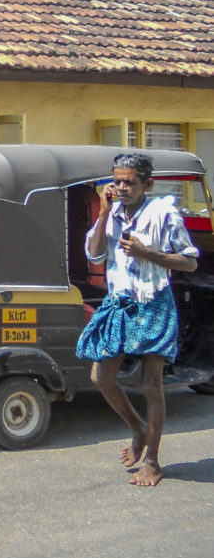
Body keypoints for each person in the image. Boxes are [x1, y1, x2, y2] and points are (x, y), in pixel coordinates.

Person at [77, 152, 198, 487]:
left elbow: (189, 263)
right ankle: (139, 429)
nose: (121, 187)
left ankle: (154, 461)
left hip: (154, 302)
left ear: (148, 184)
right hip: (119, 302)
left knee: (150, 384)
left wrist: (149, 254)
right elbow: (94, 253)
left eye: (129, 182)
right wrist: (102, 214)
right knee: (101, 377)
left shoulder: (163, 213)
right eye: (117, 181)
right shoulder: (112, 212)